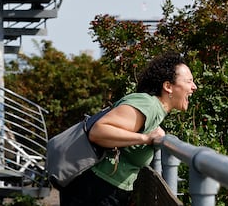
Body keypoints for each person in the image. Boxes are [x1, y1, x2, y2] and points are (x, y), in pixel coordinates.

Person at [59, 52, 198, 206]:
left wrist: (156, 132)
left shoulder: (153, 109)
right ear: (168, 86)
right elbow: (98, 132)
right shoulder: (148, 105)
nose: (194, 87)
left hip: (103, 189)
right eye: (189, 81)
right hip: (95, 190)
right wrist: (145, 138)